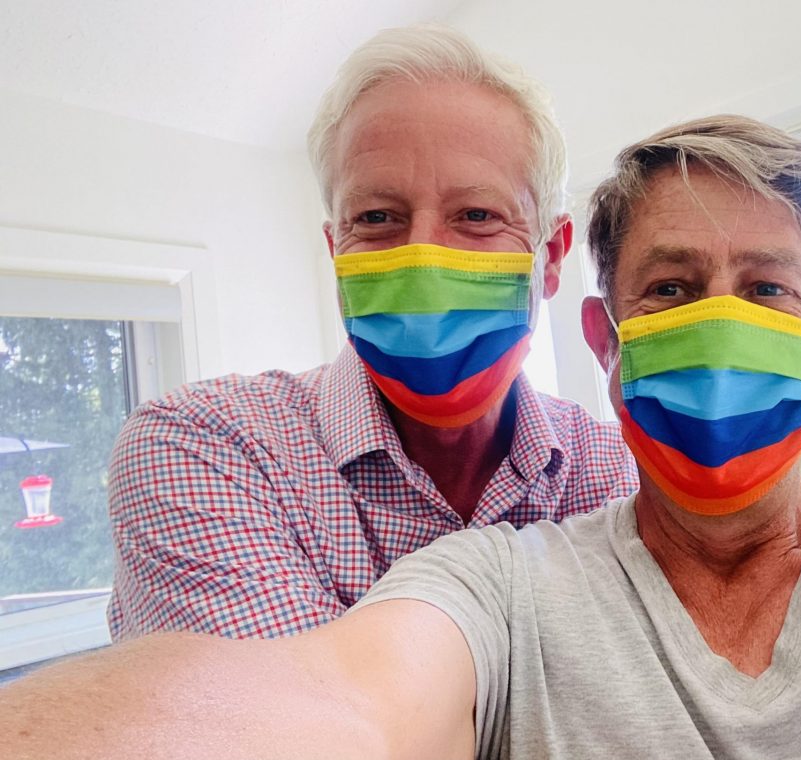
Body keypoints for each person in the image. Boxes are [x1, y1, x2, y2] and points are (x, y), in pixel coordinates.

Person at [4, 115, 801, 759]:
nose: (720, 324)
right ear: (607, 332)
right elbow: (334, 704)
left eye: (768, 289)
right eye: (672, 288)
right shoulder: (497, 575)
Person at [104, 25, 637, 641]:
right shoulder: (205, 448)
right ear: (337, 251)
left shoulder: (610, 467)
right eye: (377, 218)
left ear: (550, 257)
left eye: (477, 216)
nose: (423, 258)